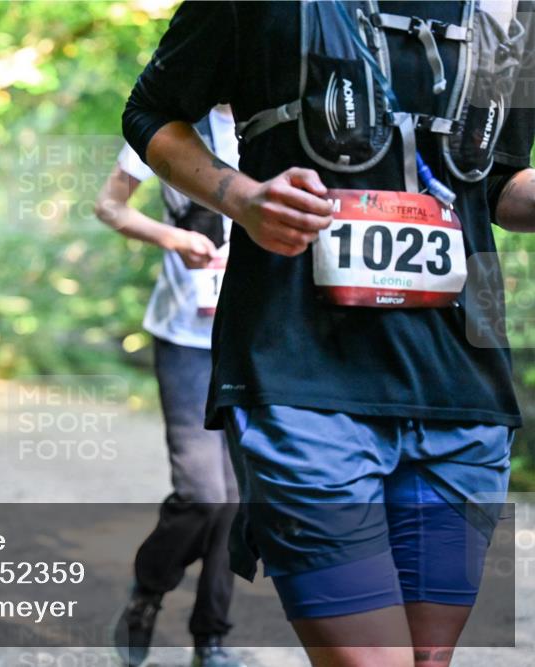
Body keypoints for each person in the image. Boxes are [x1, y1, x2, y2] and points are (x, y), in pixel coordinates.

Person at [123, 2, 535, 666]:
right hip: (302, 371)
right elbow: (150, 112)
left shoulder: (513, 9)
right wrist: (241, 199)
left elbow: (493, 181)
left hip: (461, 386)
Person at [96, 107, 246, 667]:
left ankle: (211, 638)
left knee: (237, 500)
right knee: (204, 493)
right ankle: (148, 590)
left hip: (257, 338)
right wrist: (173, 236)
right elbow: (108, 206)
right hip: (186, 336)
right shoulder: (174, 124)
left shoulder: (282, 116)